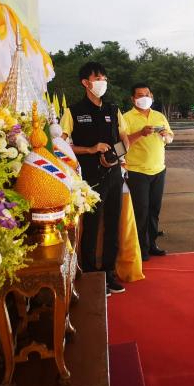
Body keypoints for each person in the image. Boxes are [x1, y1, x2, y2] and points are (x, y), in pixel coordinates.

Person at [61, 61, 128, 296]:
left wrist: (114, 156)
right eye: (98, 78)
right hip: (88, 179)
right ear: (85, 83)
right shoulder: (73, 112)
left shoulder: (113, 109)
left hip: (113, 176)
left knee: (112, 225)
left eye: (104, 78)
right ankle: (90, 274)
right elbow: (62, 146)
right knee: (90, 227)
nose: (102, 82)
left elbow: (125, 139)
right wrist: (91, 150)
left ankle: (109, 273)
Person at [123, 82, 174, 261]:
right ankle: (140, 248)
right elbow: (122, 144)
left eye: (147, 94)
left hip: (159, 169)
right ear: (133, 98)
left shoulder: (159, 116)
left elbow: (170, 137)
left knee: (154, 210)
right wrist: (140, 133)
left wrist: (165, 136)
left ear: (151, 96)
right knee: (140, 211)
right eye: (139, 95)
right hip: (137, 171)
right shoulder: (126, 118)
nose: (144, 98)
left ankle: (152, 244)